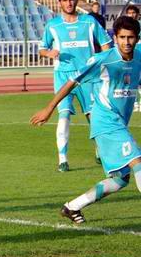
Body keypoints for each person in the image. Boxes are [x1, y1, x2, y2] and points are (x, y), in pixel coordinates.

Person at [31, 16, 141, 223]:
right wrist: (49, 108)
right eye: (122, 37)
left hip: (119, 123)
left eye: (131, 37)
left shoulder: (139, 56)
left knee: (120, 179)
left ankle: (72, 207)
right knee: (138, 162)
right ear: (115, 38)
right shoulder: (103, 59)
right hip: (106, 122)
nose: (126, 42)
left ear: (137, 38)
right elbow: (72, 82)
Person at [39, 0, 111, 171]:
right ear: (59, 3)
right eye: (65, 0)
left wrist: (105, 66)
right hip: (63, 75)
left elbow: (106, 45)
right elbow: (42, 49)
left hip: (87, 75)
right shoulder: (53, 25)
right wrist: (49, 53)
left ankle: (100, 151)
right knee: (64, 115)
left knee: (93, 116)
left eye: (71, 0)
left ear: (76, 1)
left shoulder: (89, 22)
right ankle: (62, 160)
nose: (68, 3)